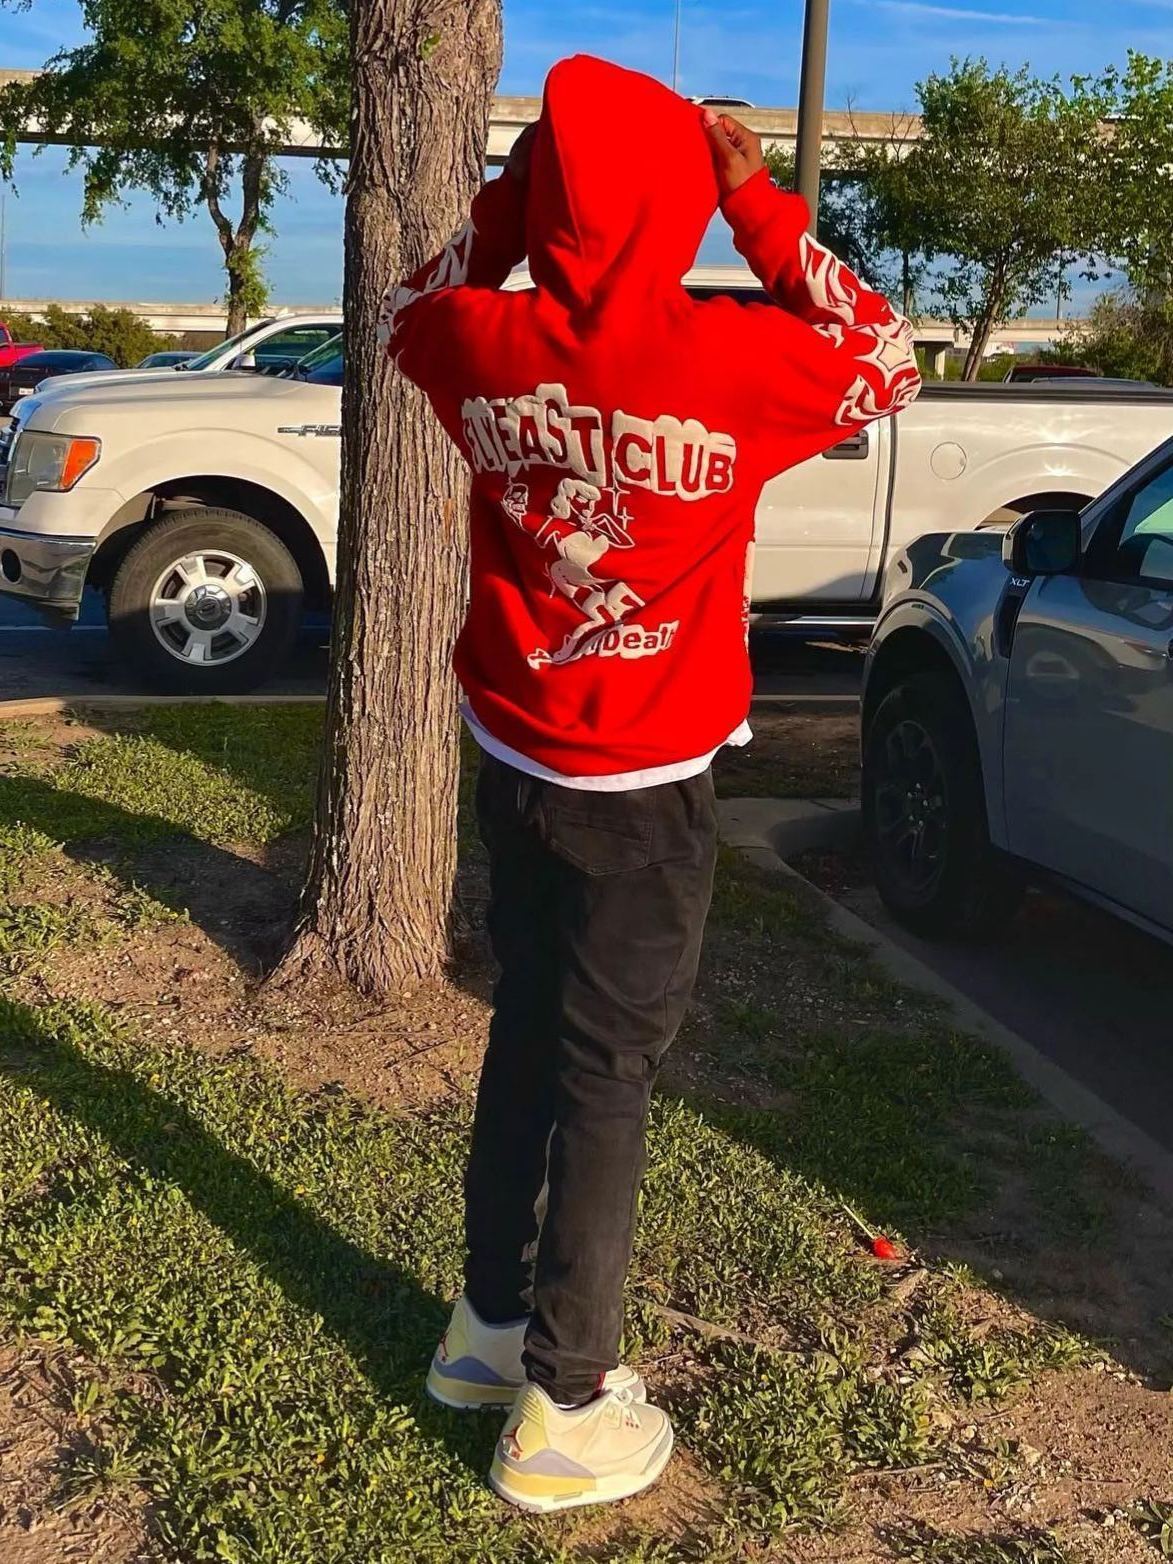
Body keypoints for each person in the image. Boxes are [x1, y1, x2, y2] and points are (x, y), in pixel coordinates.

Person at [380, 53, 920, 1514]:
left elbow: (405, 312)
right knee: (606, 1074)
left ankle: (488, 1330)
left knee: (526, 1029)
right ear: (675, 197)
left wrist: (511, 208)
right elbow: (883, 351)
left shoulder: (482, 340)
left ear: (551, 195)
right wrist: (756, 205)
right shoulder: (729, 359)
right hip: (649, 775)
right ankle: (565, 1403)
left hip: (516, 753)